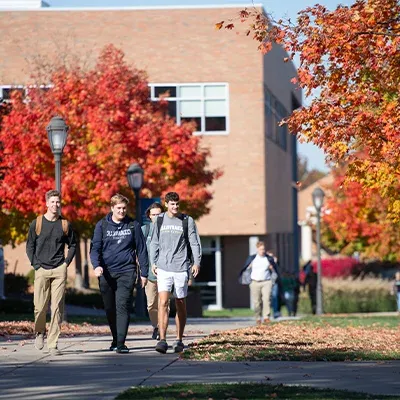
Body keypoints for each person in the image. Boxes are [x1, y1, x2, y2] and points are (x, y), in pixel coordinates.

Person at [90, 193, 148, 354]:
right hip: (107, 273)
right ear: (112, 208)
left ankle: (121, 343)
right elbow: (95, 249)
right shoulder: (102, 225)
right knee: (110, 308)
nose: (122, 211)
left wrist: (144, 273)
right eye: (119, 208)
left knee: (122, 306)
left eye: (124, 208)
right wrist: (96, 266)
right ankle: (115, 339)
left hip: (127, 271)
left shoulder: (133, 225)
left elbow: (141, 250)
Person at [150, 191, 201, 354]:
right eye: (172, 204)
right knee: (163, 302)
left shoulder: (187, 221)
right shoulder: (158, 220)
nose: (175, 206)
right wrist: (153, 262)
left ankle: (179, 339)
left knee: (180, 303)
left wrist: (196, 262)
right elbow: (154, 242)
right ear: (166, 204)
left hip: (181, 267)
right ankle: (162, 340)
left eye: (177, 204)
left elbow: (194, 243)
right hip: (163, 267)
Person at [26, 189, 76, 356]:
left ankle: (53, 344)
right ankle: (39, 332)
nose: (55, 205)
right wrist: (35, 265)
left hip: (59, 270)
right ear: (46, 203)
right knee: (39, 307)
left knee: (56, 308)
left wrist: (66, 263)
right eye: (52, 202)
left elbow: (73, 244)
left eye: (57, 202)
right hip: (41, 269)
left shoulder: (65, 224)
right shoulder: (37, 223)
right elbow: (30, 246)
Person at [141, 202, 164, 340]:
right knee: (151, 304)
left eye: (159, 214)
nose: (156, 217)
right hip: (149, 274)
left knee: (164, 303)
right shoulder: (145, 230)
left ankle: (162, 329)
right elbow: (140, 251)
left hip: (165, 273)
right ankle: (156, 325)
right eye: (153, 215)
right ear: (149, 216)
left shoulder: (167, 230)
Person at [240, 241, 277, 325]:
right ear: (257, 249)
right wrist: (249, 268)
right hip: (254, 282)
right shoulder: (253, 258)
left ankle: (266, 317)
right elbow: (246, 269)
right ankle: (258, 317)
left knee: (266, 299)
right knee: (257, 301)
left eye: (263, 249)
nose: (262, 251)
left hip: (266, 281)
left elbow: (275, 270)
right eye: (260, 249)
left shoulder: (268, 258)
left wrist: (271, 269)